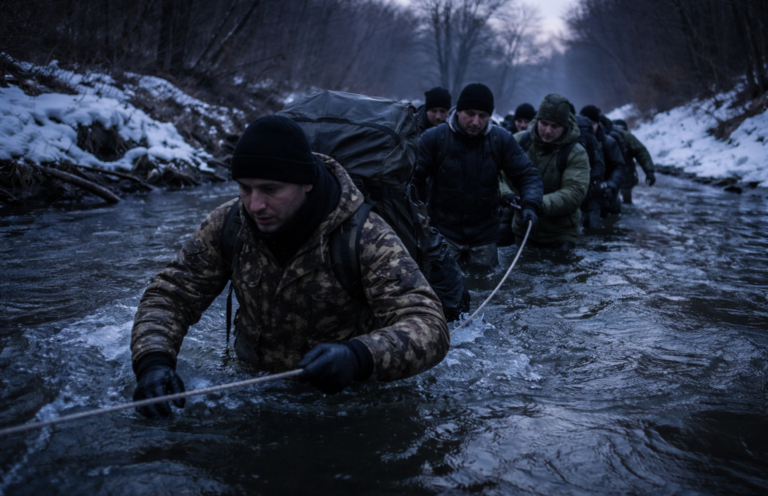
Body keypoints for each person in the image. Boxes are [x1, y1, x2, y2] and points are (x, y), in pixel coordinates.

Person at [131, 116, 450, 419]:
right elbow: (170, 296)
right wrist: (153, 362)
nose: (255, 204)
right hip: (253, 393)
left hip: (346, 401)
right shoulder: (228, 225)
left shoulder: (365, 236)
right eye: (245, 188)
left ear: (306, 183)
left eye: (270, 189)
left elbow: (428, 323)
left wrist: (359, 357)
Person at [413, 83, 543, 267]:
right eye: (470, 114)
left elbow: (527, 174)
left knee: (485, 284)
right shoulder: (433, 138)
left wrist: (530, 204)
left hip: (485, 235)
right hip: (443, 231)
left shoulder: (500, 140)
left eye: (482, 116)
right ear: (458, 111)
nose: (476, 122)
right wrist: (418, 218)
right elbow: (411, 179)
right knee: (441, 286)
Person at [506, 94, 590, 251]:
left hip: (560, 235)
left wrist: (535, 204)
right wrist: (507, 196)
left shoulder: (576, 153)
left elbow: (574, 193)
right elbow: (499, 176)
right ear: (537, 120)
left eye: (555, 126)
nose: (547, 130)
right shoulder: (518, 142)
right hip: (523, 229)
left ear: (564, 127)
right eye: (544, 123)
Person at [579, 105, 629, 217]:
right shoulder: (576, 142)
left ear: (598, 123)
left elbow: (620, 167)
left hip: (607, 192)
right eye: (585, 123)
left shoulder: (609, 142)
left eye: (592, 123)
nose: (589, 127)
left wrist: (611, 185)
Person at [613, 119, 656, 203]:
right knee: (627, 201)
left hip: (611, 175)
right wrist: (649, 171)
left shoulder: (606, 133)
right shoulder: (628, 136)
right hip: (626, 174)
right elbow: (641, 153)